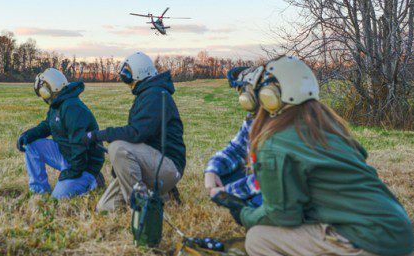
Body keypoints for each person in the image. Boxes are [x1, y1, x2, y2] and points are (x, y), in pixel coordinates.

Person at [226, 55, 414, 256]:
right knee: (318, 251)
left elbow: (283, 216)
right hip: (398, 241)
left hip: (368, 247)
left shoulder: (275, 143)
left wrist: (244, 214)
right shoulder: (329, 130)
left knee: (260, 240)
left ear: (269, 97)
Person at [84, 52, 186, 212]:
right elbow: (139, 140)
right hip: (152, 164)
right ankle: (161, 196)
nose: (125, 79)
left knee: (117, 147)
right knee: (105, 208)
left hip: (167, 166)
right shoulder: (147, 94)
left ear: (139, 72)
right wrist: (119, 168)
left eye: (127, 74)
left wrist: (97, 135)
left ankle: (143, 208)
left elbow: (136, 133)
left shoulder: (155, 95)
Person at [16, 68, 105, 199]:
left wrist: (71, 172)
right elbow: (48, 125)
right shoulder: (57, 104)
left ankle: (93, 180)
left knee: (57, 199)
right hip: (67, 153)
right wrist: (28, 135)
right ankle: (38, 190)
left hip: (84, 164)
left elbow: (80, 146)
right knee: (32, 145)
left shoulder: (72, 107)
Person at [204, 66, 263, 207]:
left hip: (276, 192)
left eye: (243, 91)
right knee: (222, 174)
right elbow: (236, 149)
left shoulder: (282, 125)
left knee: (258, 204)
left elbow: (269, 180)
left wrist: (227, 191)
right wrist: (211, 170)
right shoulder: (253, 119)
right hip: (263, 181)